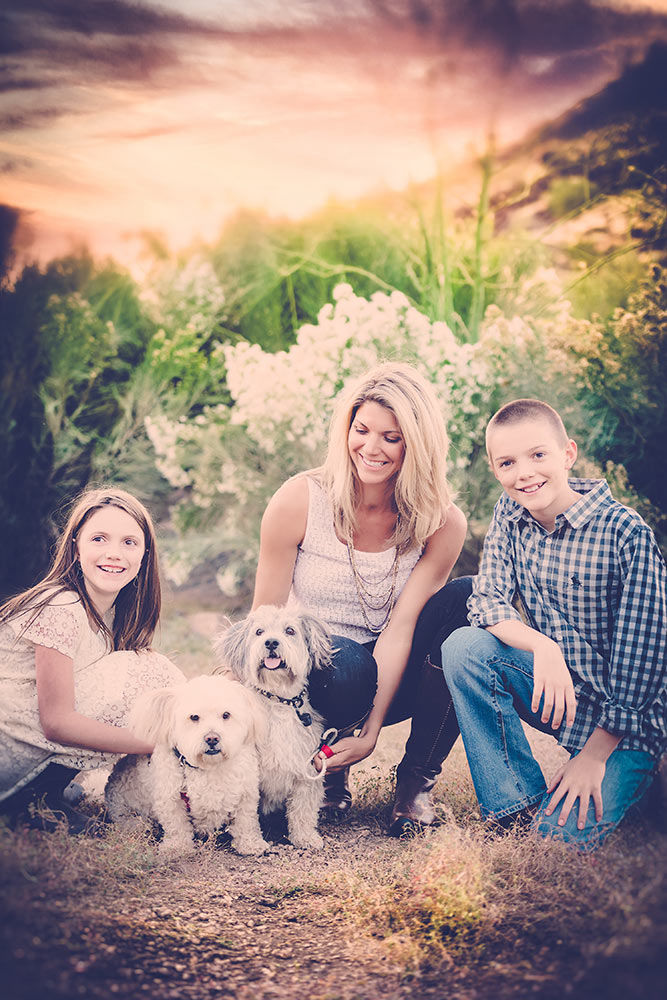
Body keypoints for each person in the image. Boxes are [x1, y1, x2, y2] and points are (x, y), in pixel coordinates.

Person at [252, 362, 472, 837]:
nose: (371, 448)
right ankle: (328, 764)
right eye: (362, 430)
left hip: (393, 676)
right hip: (318, 675)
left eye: (391, 437)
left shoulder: (442, 522)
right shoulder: (299, 499)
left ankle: (416, 783)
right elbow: (263, 623)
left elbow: (400, 629)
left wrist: (372, 734)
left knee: (467, 599)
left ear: (417, 444)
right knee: (346, 660)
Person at [441, 398, 667, 850]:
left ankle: (644, 780)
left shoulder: (625, 533)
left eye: (538, 455)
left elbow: (643, 662)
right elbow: (486, 600)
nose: (524, 473)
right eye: (508, 462)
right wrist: (545, 648)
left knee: (557, 840)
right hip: (562, 694)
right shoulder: (511, 514)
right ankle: (514, 805)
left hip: (627, 722)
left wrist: (593, 755)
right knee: (465, 647)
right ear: (495, 469)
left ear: (568, 454)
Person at [0, 487, 184, 834]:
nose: (114, 553)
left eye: (129, 542)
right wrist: (155, 742)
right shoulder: (62, 607)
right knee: (141, 675)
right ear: (76, 545)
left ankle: (46, 789)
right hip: (7, 752)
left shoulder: (109, 613)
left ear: (145, 554)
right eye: (99, 538)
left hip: (24, 746)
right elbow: (56, 722)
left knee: (154, 672)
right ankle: (34, 800)